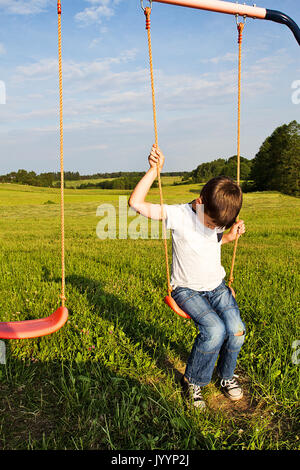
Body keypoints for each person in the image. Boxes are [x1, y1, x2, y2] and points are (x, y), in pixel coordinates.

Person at [129, 145, 246, 409]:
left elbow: (211, 242)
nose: (213, 228)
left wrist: (228, 236)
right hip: (186, 290)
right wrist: (153, 170)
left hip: (216, 286)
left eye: (218, 226)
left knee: (236, 331)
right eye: (211, 223)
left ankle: (226, 377)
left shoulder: (214, 218)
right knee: (214, 330)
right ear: (201, 201)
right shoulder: (179, 215)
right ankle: (193, 380)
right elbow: (135, 203)